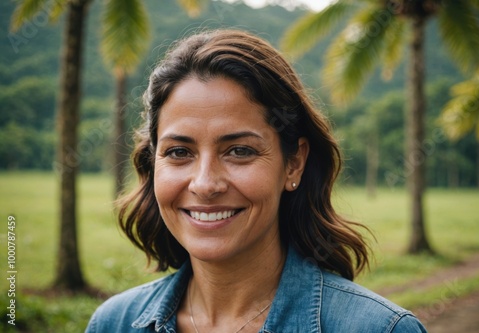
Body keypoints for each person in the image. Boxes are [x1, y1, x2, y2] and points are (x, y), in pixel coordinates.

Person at [86, 29, 427, 333]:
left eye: (238, 150)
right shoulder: (113, 323)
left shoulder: (379, 328)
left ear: (293, 164)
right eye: (178, 152)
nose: (205, 184)